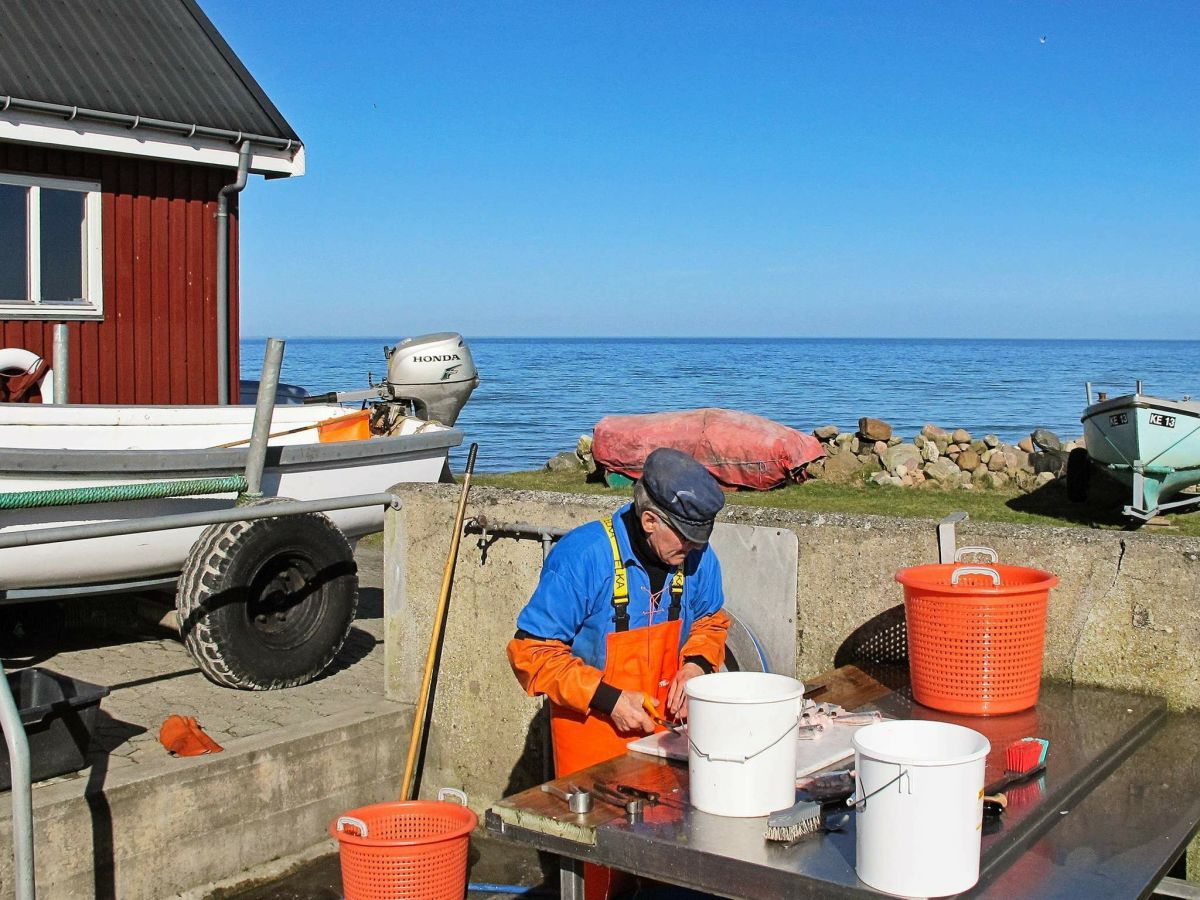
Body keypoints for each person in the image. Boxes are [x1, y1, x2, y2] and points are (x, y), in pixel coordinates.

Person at [507, 446, 730, 777]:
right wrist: (609, 699)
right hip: (592, 747)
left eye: (701, 538)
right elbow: (531, 653)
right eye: (686, 538)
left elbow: (710, 622)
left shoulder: (697, 555)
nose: (695, 548)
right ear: (649, 520)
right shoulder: (582, 557)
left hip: (669, 742)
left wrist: (697, 667)